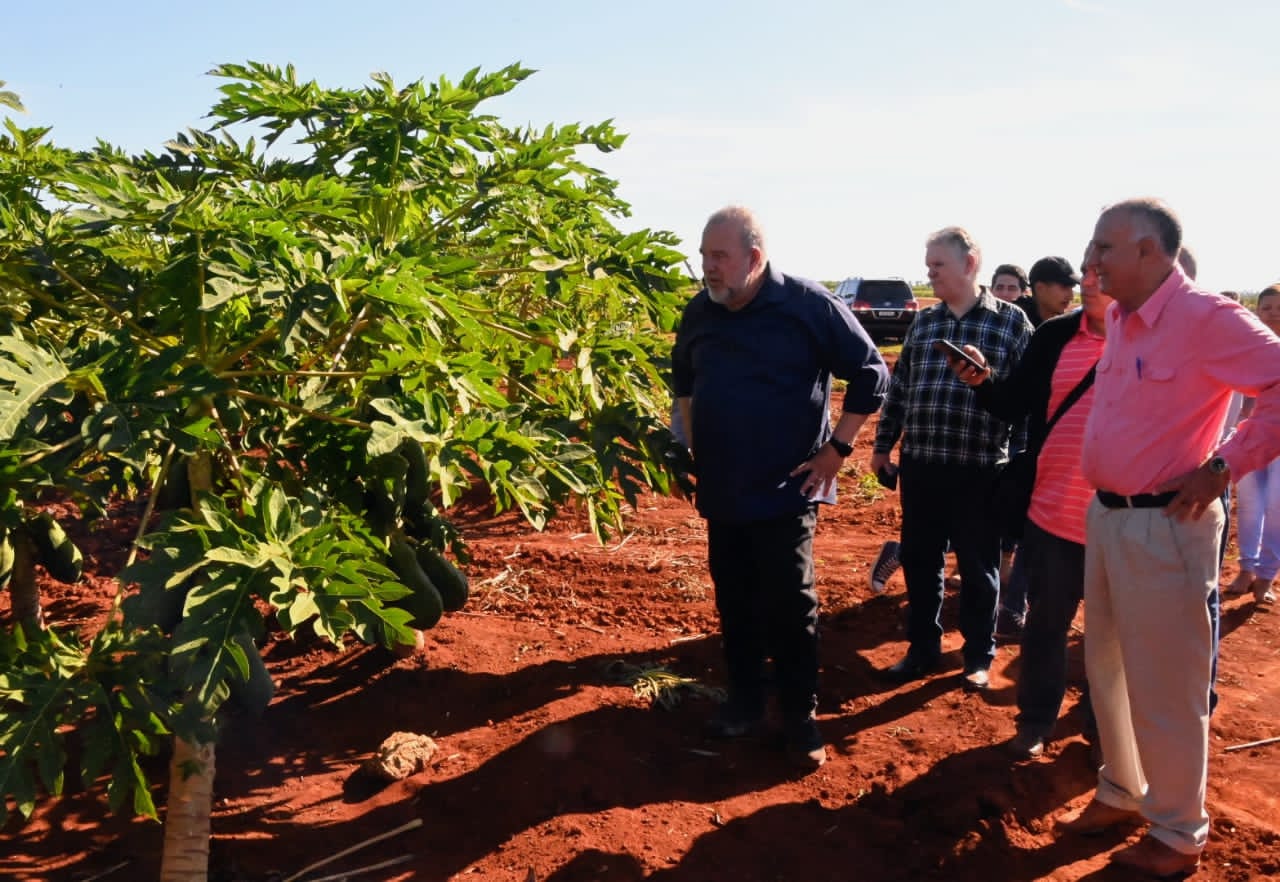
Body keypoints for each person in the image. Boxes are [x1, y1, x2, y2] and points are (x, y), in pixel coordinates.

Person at [1055, 198, 1280, 878]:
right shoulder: (1122, 318)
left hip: (1167, 526)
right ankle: (1123, 790)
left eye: (1104, 249)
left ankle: (1179, 832)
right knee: (1109, 669)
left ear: (1150, 252)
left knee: (1169, 684)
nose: (1090, 263)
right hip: (1110, 517)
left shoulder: (1207, 319)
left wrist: (1223, 467)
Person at [671, 206, 889, 771]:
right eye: (703, 255)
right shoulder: (701, 313)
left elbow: (872, 373)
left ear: (754, 258)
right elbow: (684, 385)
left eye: (718, 257)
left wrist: (837, 450)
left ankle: (799, 714)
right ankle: (744, 702)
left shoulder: (807, 307)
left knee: (791, 605)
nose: (707, 267)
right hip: (723, 489)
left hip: (787, 489)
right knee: (735, 599)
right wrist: (687, 450)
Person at [943, 258, 1110, 758]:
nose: (1094, 278)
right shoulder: (1056, 335)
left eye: (1105, 266)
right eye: (1088, 268)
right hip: (1055, 512)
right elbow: (1013, 404)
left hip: (1125, 519)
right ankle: (1035, 722)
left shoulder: (1152, 337)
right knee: (1045, 626)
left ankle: (1107, 737)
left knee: (1114, 639)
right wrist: (981, 382)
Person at [870, 227, 1032, 690]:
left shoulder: (1011, 323)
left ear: (969, 263)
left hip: (980, 468)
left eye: (937, 264)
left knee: (980, 568)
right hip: (922, 464)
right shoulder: (924, 322)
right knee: (921, 563)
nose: (929, 272)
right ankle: (922, 649)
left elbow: (1024, 401)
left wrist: (1020, 465)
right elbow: (900, 388)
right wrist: (882, 447)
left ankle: (979, 654)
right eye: (929, 264)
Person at [1226, 283, 1280, 605]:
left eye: (1278, 308)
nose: (1272, 313)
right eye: (1266, 308)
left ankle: (1266, 575)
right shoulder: (1247, 348)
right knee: (1249, 504)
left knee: (1277, 505)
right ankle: (1246, 568)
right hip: (1247, 438)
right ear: (1256, 312)